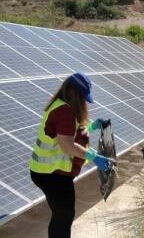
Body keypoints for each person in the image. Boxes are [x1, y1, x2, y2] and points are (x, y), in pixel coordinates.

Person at [29, 72, 112, 238]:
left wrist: (93, 126)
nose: (84, 103)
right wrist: (93, 157)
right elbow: (67, 145)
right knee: (63, 216)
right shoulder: (64, 111)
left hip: (52, 173)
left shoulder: (62, 106)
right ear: (75, 94)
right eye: (82, 97)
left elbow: (69, 132)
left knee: (63, 214)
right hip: (51, 174)